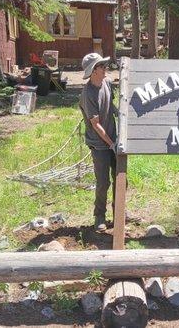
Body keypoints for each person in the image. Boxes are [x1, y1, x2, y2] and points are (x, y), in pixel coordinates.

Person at [79, 53, 118, 231]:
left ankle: (119, 212)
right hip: (100, 143)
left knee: (120, 179)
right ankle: (99, 215)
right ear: (93, 71)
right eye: (102, 66)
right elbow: (96, 125)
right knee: (103, 182)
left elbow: (112, 106)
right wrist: (111, 144)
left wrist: (121, 113)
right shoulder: (88, 94)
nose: (105, 69)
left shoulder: (107, 83)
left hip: (115, 141)